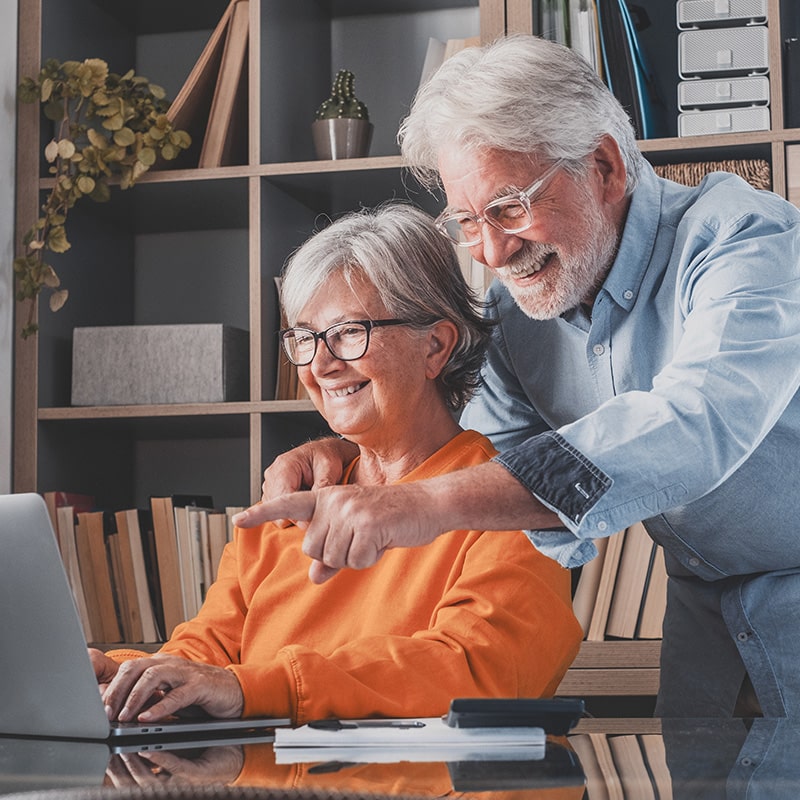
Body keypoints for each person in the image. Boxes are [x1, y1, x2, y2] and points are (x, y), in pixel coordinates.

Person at [242, 35, 800, 718]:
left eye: (508, 209)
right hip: (703, 608)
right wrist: (358, 453)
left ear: (604, 166)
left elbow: (697, 423)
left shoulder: (745, 238)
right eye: (467, 222)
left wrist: (422, 504)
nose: (492, 252)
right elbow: (484, 464)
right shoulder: (516, 316)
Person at [90, 202, 582, 725]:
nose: (321, 365)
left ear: (435, 346)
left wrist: (260, 686)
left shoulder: (504, 503)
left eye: (349, 331)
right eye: (304, 337)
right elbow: (211, 650)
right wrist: (122, 678)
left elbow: (477, 671)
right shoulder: (291, 496)